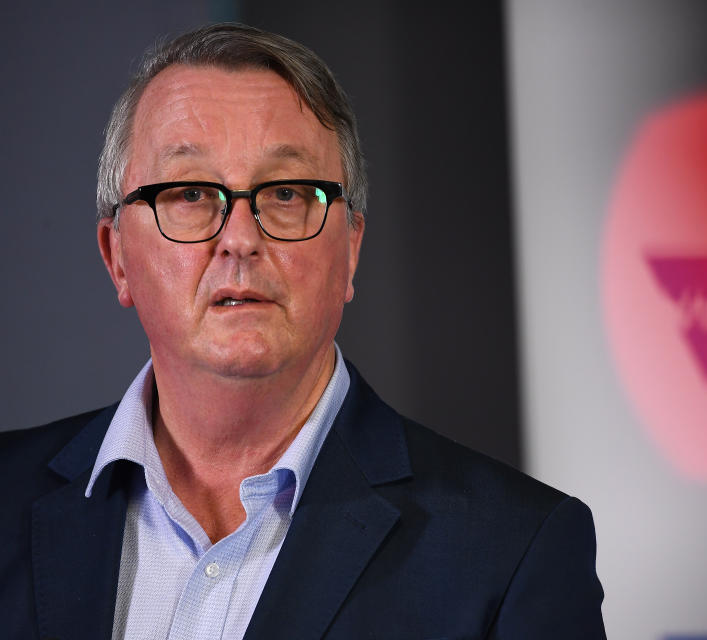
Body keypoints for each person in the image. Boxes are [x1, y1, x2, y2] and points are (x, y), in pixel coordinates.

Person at [0, 22, 605, 639]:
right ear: (117, 257)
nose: (239, 239)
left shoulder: (513, 552)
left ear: (350, 252)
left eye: (286, 193)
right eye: (188, 193)